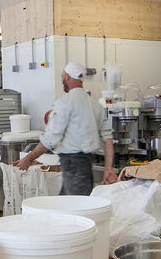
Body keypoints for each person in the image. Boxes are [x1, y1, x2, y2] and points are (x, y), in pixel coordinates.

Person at [15, 62, 115, 194]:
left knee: (74, 204)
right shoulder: (96, 106)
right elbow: (108, 139)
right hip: (85, 164)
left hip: (73, 166)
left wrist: (28, 159)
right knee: (65, 201)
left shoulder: (64, 103)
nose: (62, 80)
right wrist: (108, 168)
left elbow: (50, 139)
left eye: (62, 76)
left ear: (67, 77)